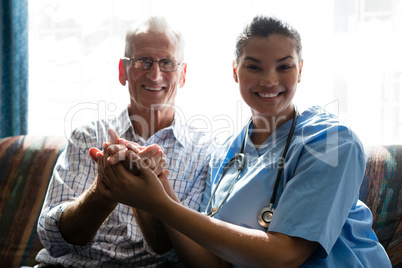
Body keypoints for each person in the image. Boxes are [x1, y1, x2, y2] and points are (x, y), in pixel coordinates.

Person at [96, 15, 392, 267]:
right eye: (254, 67)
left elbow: (284, 257)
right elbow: (212, 262)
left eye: (284, 66)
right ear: (235, 72)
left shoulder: (332, 142)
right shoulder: (223, 154)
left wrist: (158, 203)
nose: (269, 80)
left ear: (301, 71)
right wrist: (157, 181)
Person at [36, 16, 213, 267]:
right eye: (143, 61)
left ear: (182, 74)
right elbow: (52, 239)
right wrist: (104, 189)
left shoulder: (206, 152)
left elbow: (176, 253)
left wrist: (147, 189)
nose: (155, 74)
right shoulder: (86, 136)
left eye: (167, 63)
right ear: (123, 71)